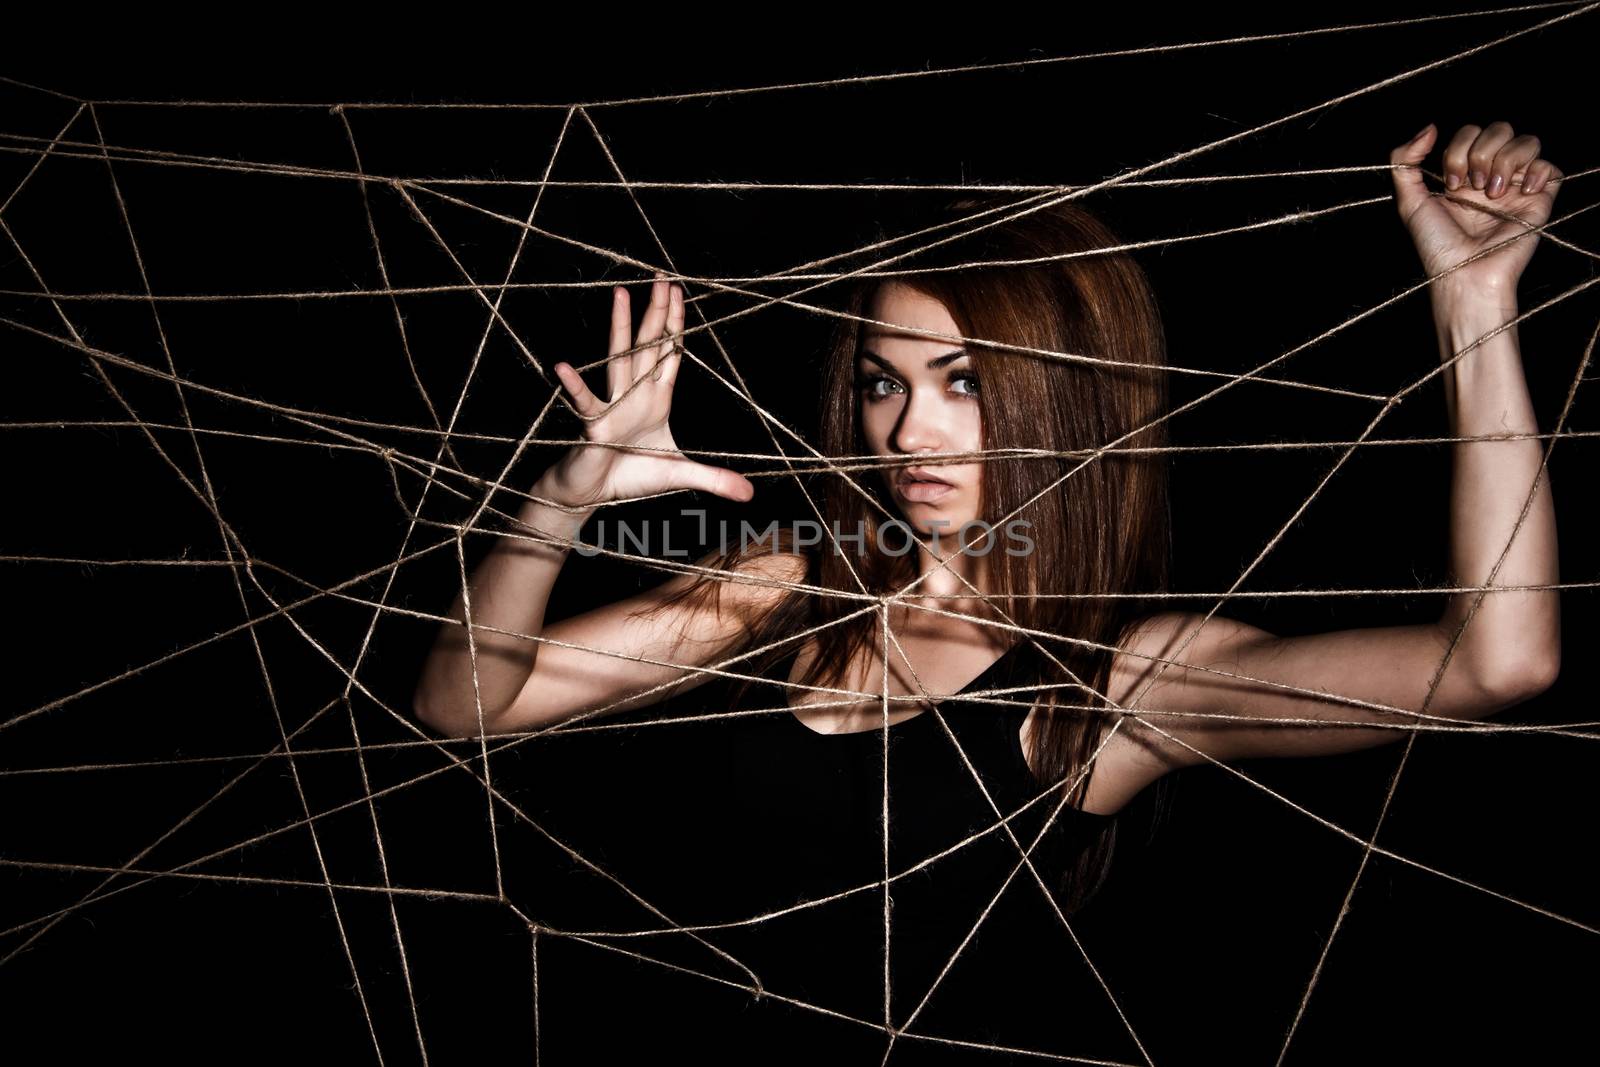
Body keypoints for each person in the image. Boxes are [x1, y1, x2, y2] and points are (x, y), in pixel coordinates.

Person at [411, 120, 1562, 1054]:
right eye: (881, 380)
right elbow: (467, 702)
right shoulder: (787, 585)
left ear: (1066, 393)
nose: (908, 427)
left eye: (961, 380)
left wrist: (1474, 304)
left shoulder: (1114, 689)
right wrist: (564, 495)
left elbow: (1494, 662)